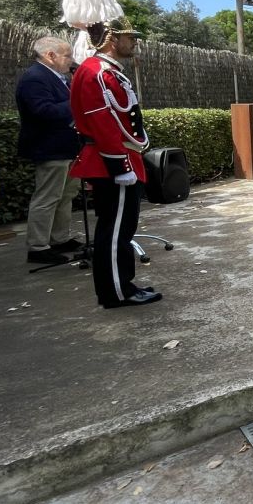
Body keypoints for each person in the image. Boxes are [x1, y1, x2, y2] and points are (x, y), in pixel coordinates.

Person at [70, 17, 161, 308]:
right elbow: (103, 123)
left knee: (120, 229)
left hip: (117, 158)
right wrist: (120, 166)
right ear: (112, 39)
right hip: (111, 162)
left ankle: (123, 285)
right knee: (115, 232)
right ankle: (117, 292)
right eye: (129, 37)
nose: (134, 41)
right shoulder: (98, 72)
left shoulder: (105, 71)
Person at [17, 36, 81, 265]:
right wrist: (76, 99)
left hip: (66, 148)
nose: (72, 61)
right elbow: (43, 112)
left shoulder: (57, 78)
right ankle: (38, 247)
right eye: (68, 55)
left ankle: (59, 238)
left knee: (66, 195)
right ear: (50, 56)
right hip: (49, 148)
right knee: (47, 197)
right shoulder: (35, 78)